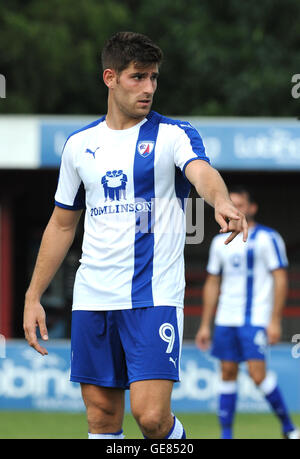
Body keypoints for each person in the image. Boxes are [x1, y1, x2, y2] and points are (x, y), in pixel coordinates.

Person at [23, 31, 247, 440]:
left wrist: (221, 201)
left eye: (154, 78)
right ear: (110, 77)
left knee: (151, 418)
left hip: (153, 297)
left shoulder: (172, 134)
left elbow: (201, 171)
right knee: (102, 419)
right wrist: (33, 295)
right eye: (138, 77)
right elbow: (61, 224)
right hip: (93, 298)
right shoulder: (79, 146)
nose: (149, 88)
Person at [195, 186, 299, 440]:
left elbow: (280, 279)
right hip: (225, 319)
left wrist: (275, 320)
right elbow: (212, 283)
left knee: (256, 374)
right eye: (233, 204)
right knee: (227, 372)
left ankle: (288, 428)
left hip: (255, 318)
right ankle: (227, 435)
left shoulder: (267, 238)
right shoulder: (219, 242)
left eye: (241, 204)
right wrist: (205, 324)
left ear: (252, 208)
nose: (237, 209)